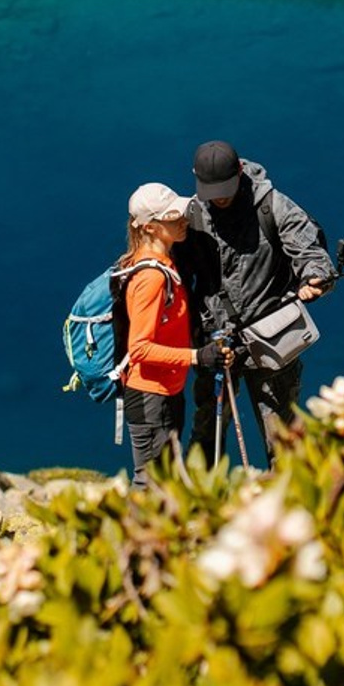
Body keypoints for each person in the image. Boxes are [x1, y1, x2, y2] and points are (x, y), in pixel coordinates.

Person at [182, 141, 337, 467]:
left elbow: (310, 252)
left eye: (225, 189)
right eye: (212, 191)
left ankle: (291, 507)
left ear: (240, 172)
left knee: (282, 436)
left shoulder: (273, 206)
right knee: (206, 435)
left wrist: (315, 278)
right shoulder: (193, 213)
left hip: (271, 342)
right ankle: (195, 509)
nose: (219, 198)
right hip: (215, 345)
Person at [117, 182, 232, 489]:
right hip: (150, 396)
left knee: (161, 481)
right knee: (151, 484)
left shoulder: (162, 265)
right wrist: (197, 355)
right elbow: (139, 348)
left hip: (165, 392)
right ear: (152, 228)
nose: (183, 220)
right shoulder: (152, 278)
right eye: (173, 218)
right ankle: (128, 537)